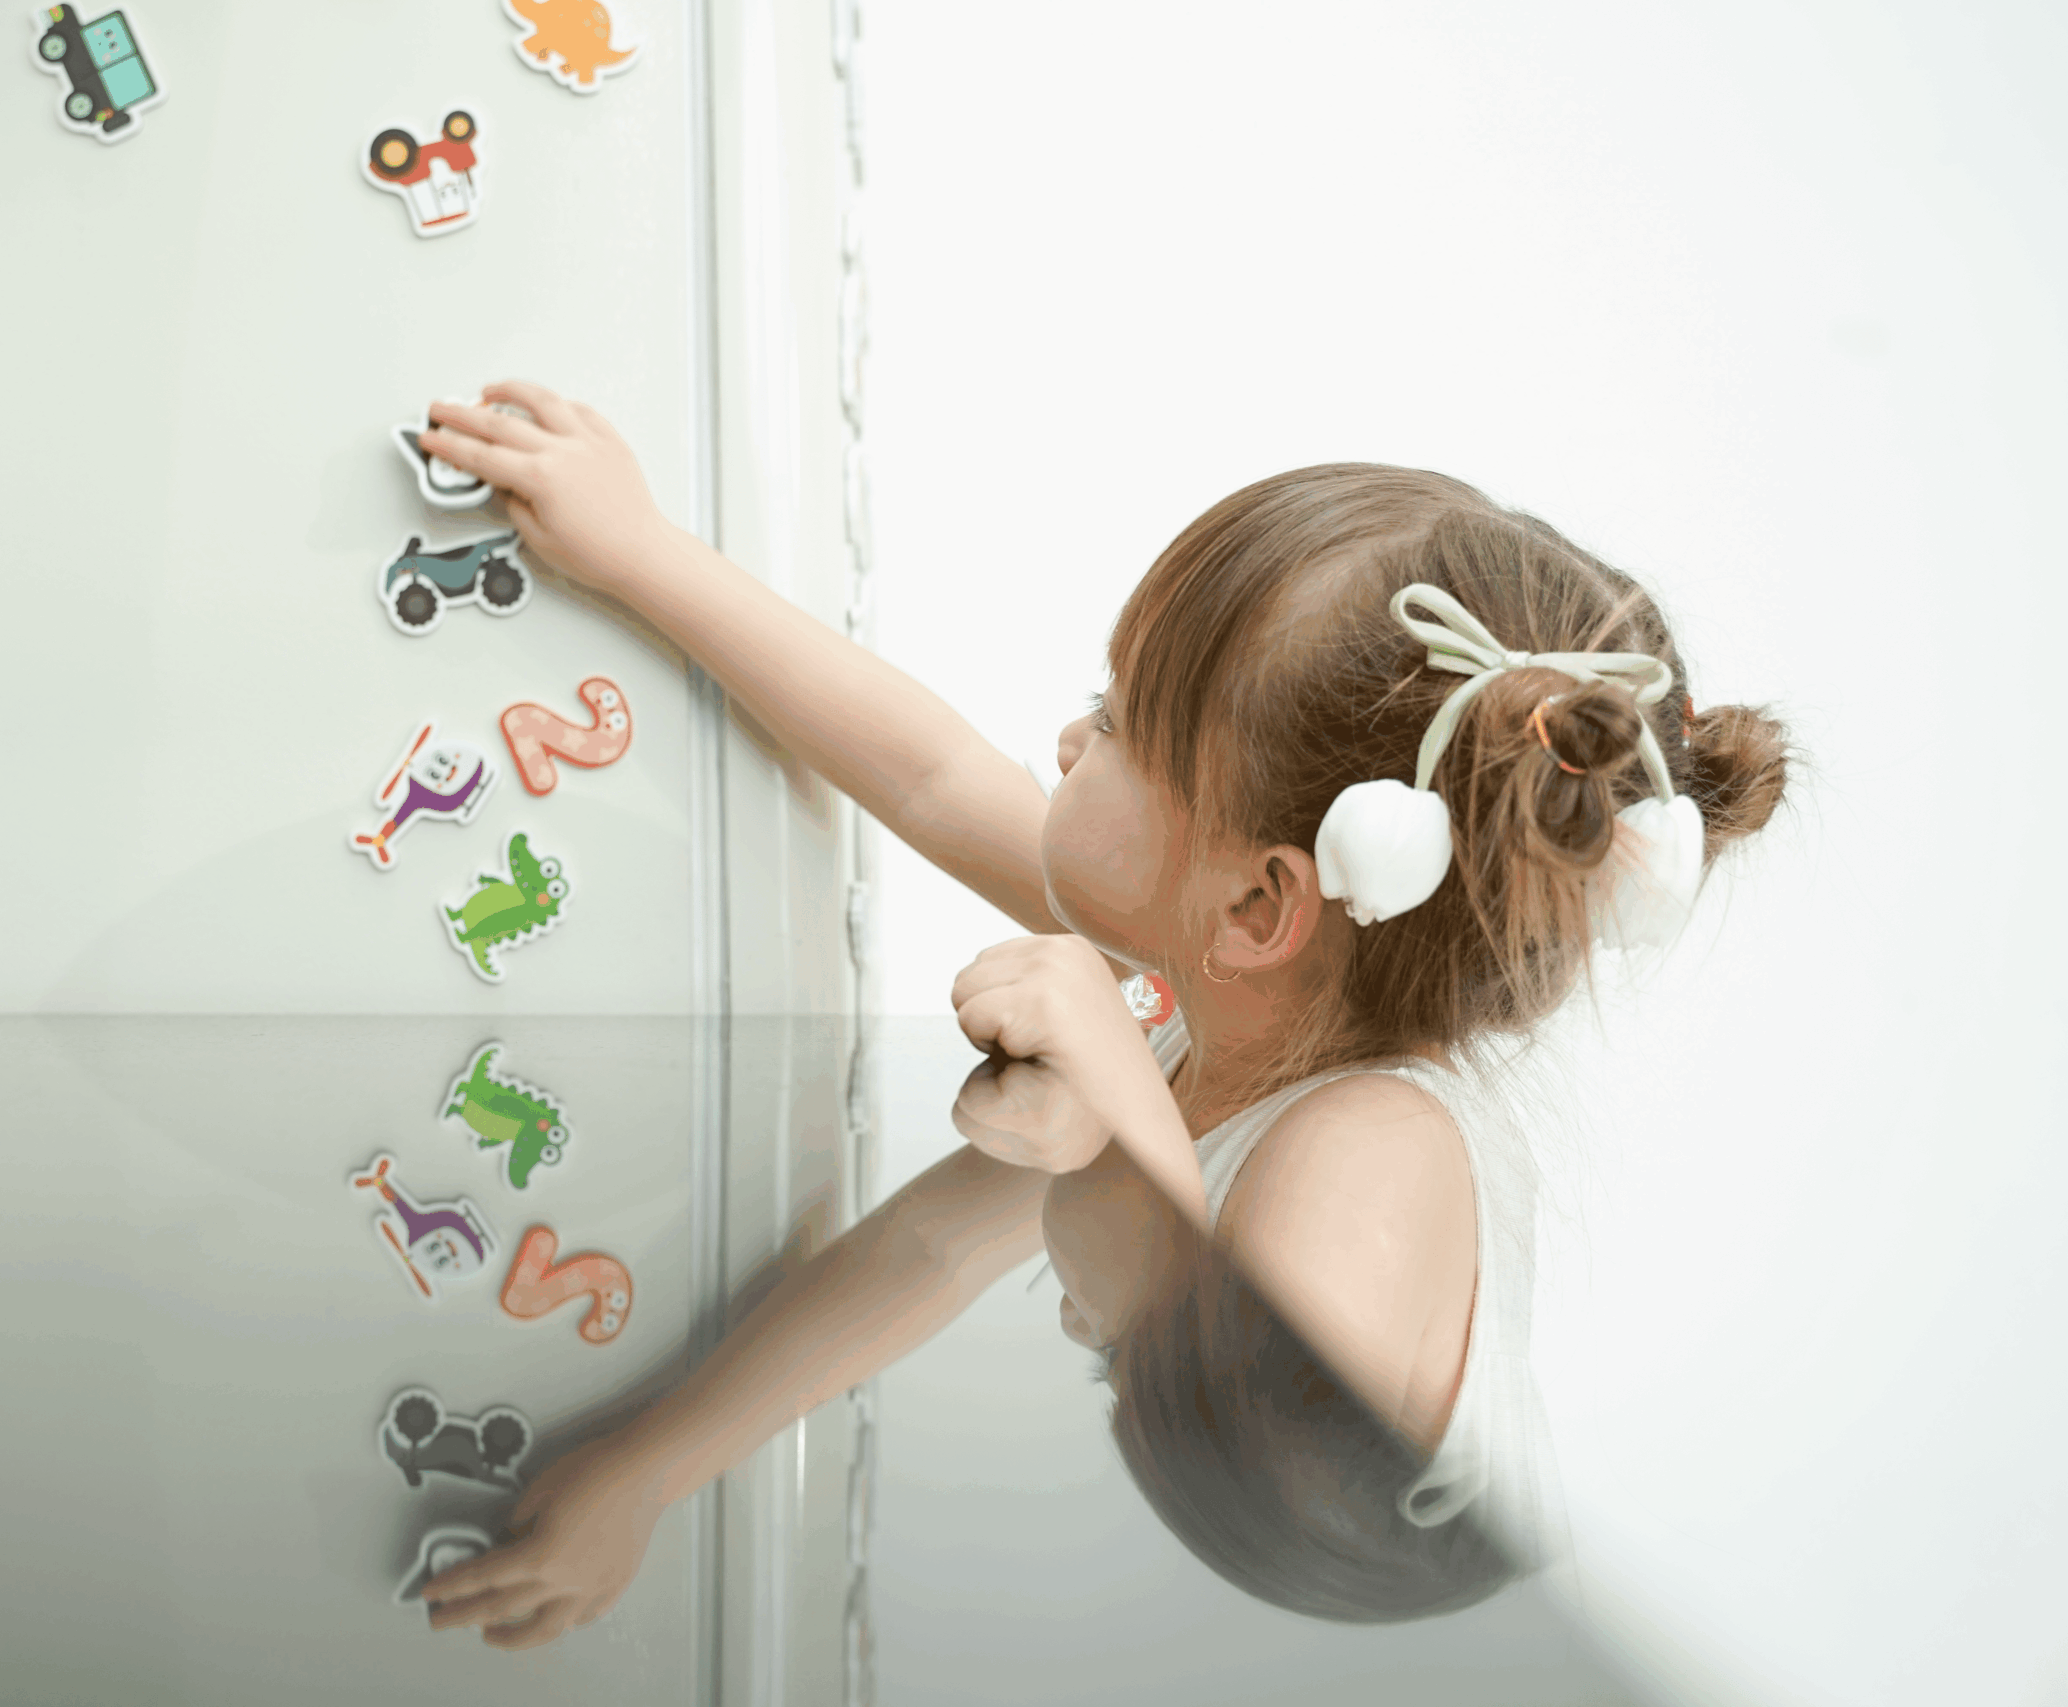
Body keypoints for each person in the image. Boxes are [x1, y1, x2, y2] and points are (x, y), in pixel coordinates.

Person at [407, 384, 1790, 1645]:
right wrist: (641, 553)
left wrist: (1121, 1112)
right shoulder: (1219, 985)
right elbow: (934, 783)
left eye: (1115, 720)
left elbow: (1258, 1450)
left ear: (1260, 904)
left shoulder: (1376, 1144)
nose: (1067, 742)